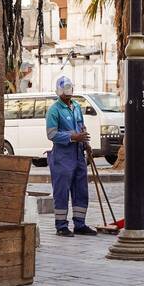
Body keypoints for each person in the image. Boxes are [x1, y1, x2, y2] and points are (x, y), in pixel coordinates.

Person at [46, 77, 97, 237]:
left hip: (78, 155)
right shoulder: (54, 110)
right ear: (60, 92)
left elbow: (81, 126)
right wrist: (72, 137)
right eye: (66, 94)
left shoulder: (75, 107)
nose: (69, 97)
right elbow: (51, 134)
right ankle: (61, 226)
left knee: (81, 190)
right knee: (61, 191)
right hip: (62, 157)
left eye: (70, 93)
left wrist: (86, 144)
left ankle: (79, 224)